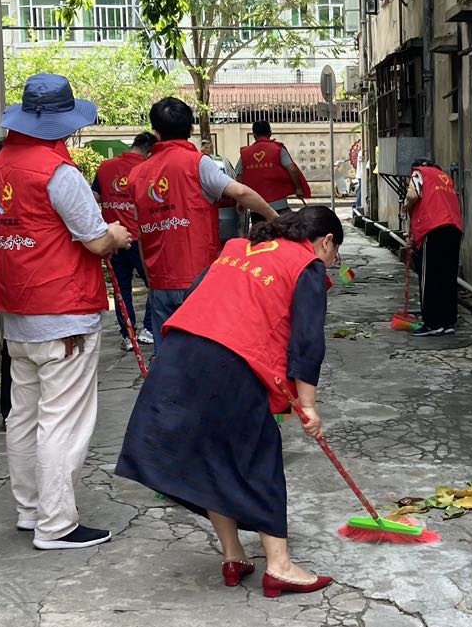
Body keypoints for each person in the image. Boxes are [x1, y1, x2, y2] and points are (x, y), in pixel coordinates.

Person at [115, 206, 344, 597]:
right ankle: (280, 566)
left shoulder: (237, 247)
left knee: (213, 454)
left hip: (180, 353)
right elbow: (307, 342)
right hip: (232, 362)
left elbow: (197, 296)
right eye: (334, 254)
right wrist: (308, 404)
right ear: (325, 242)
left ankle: (233, 555)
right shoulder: (307, 265)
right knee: (259, 458)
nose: (332, 263)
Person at [0, 74, 134, 551]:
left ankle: (31, 510)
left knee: (23, 416)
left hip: (18, 312)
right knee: (60, 421)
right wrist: (117, 235)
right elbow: (94, 241)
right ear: (64, 126)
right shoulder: (58, 174)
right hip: (64, 312)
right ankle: (56, 524)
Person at [125, 97, 278, 346]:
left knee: (168, 357)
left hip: (159, 280)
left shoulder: (137, 175)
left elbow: (142, 233)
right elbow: (241, 192)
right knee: (201, 352)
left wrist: (151, 280)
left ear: (156, 132)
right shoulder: (197, 164)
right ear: (191, 129)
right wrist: (276, 219)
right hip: (198, 278)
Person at [94, 131, 157, 351]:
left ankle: (128, 335)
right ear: (150, 151)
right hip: (141, 238)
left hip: (113, 237)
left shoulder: (105, 167)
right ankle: (149, 328)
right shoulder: (148, 169)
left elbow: (96, 198)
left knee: (122, 289)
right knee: (156, 284)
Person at [403, 158, 463, 337]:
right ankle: (448, 322)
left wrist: (405, 206)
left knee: (429, 277)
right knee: (448, 277)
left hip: (434, 229)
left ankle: (432, 323)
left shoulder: (420, 173)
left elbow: (413, 195)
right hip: (454, 229)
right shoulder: (445, 177)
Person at [236, 120, 312, 214]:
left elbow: (239, 176)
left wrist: (240, 199)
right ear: (270, 133)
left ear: (254, 135)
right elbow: (292, 169)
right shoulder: (277, 149)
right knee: (281, 227)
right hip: (278, 203)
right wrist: (299, 189)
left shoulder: (245, 153)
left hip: (256, 206)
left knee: (260, 228)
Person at [200, 138, 242, 245]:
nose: (207, 149)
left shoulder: (205, 162)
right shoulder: (202, 161)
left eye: (208, 147)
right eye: (205, 147)